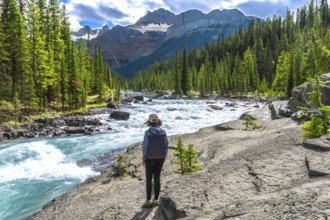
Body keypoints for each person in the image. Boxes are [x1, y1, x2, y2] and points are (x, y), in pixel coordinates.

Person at [142, 113, 169, 208]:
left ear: (149, 121)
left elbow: (145, 147)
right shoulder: (164, 131)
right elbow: (166, 145)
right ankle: (156, 200)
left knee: (149, 180)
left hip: (150, 158)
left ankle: (148, 200)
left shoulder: (147, 132)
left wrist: (144, 158)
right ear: (158, 121)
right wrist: (164, 156)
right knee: (157, 178)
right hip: (160, 158)